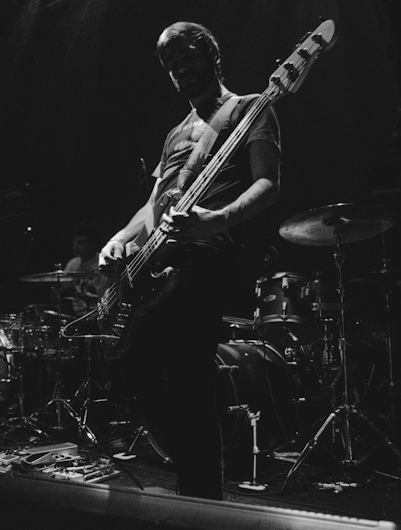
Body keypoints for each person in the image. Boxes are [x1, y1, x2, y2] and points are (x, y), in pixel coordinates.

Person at [98, 21, 280, 500]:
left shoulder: (251, 108)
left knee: (186, 370)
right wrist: (119, 238)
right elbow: (153, 205)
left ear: (212, 55)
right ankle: (197, 478)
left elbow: (267, 183)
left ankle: (201, 495)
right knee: (135, 366)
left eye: (187, 56)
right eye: (170, 63)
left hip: (209, 252)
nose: (179, 68)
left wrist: (214, 220)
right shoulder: (176, 133)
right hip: (159, 258)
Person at [60, 219, 106, 317]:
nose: (75, 246)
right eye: (74, 241)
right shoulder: (72, 264)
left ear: (92, 245)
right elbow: (59, 293)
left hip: (98, 315)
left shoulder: (102, 262)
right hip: (77, 317)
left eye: (80, 243)